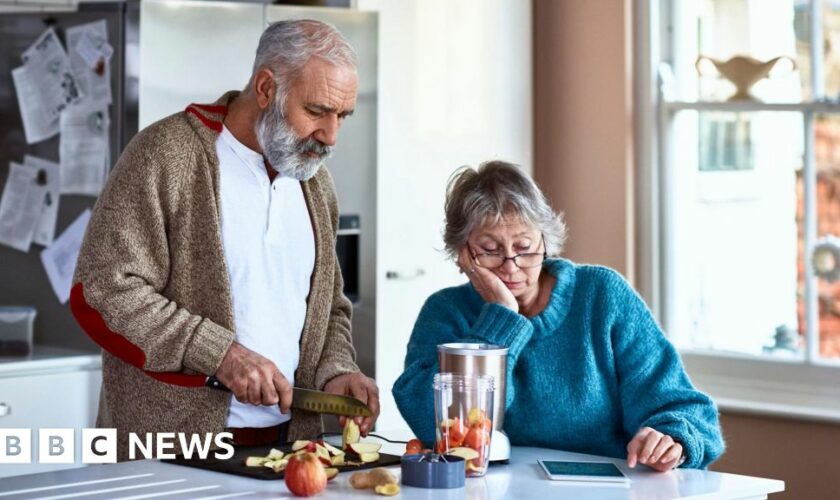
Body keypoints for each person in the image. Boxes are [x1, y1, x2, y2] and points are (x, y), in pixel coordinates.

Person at [71, 20, 379, 460]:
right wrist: (220, 354)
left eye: (342, 116)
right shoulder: (165, 155)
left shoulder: (315, 183)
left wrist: (337, 371)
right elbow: (101, 292)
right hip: (167, 454)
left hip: (290, 454)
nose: (331, 135)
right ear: (267, 88)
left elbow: (327, 308)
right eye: (316, 111)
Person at [392, 161, 724, 471]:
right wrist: (501, 317)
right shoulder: (445, 312)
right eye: (490, 250)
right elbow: (438, 428)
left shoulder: (601, 295)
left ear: (546, 241)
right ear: (462, 253)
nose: (511, 265)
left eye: (524, 247)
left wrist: (671, 438)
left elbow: (685, 409)